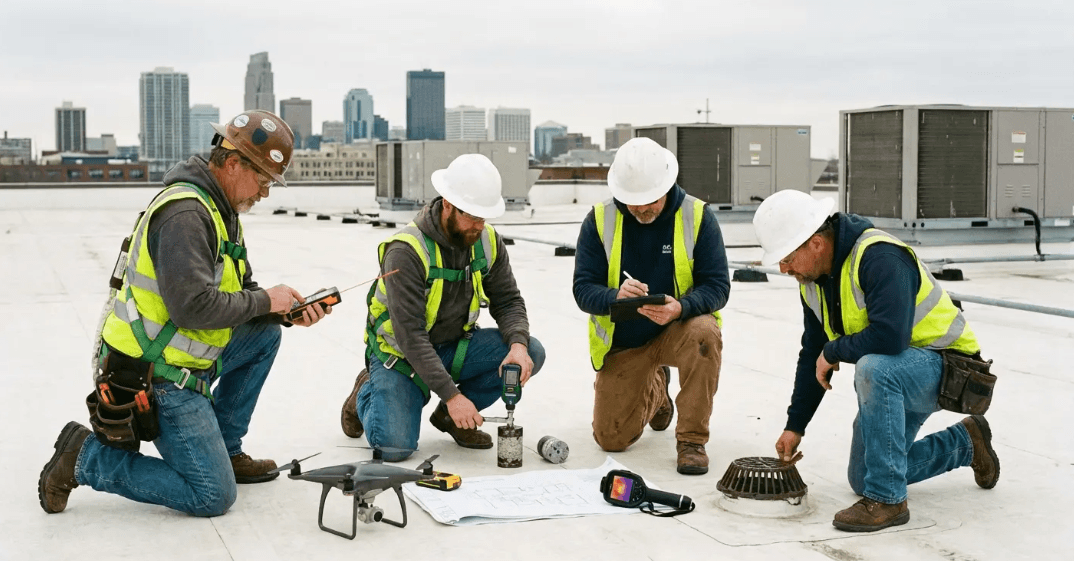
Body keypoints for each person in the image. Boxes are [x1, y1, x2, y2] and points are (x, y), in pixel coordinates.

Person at [38, 110, 330, 517]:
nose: (264, 193)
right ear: (232, 163)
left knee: (264, 336)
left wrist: (284, 312)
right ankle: (84, 458)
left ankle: (225, 449)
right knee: (212, 495)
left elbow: (240, 292)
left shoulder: (221, 210)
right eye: (263, 180)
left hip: (185, 354)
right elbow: (192, 308)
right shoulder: (187, 216)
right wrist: (267, 301)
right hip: (155, 371)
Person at [753, 189, 1000, 532]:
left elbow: (889, 338)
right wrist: (795, 426)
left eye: (787, 257)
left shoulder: (880, 256)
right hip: (902, 371)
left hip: (952, 369)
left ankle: (888, 500)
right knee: (863, 475)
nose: (783, 268)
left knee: (874, 368)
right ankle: (965, 443)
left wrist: (833, 352)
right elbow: (813, 351)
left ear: (816, 244)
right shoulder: (812, 282)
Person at [341, 153, 545, 461]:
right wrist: (452, 395)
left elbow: (508, 300)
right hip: (402, 357)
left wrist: (518, 345)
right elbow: (410, 336)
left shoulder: (486, 240)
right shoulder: (406, 251)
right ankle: (365, 393)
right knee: (394, 448)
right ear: (448, 204)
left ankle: (450, 418)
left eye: (484, 217)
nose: (479, 226)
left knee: (531, 352)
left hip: (454, 348)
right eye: (472, 217)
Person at [572, 137, 729, 475]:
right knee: (611, 438)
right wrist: (614, 296)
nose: (642, 210)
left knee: (705, 332)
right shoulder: (599, 220)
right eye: (633, 204)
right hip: (626, 341)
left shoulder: (697, 216)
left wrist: (682, 307)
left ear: (667, 186)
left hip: (679, 331)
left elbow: (718, 286)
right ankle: (657, 390)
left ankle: (692, 441)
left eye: (651, 202)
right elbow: (582, 289)